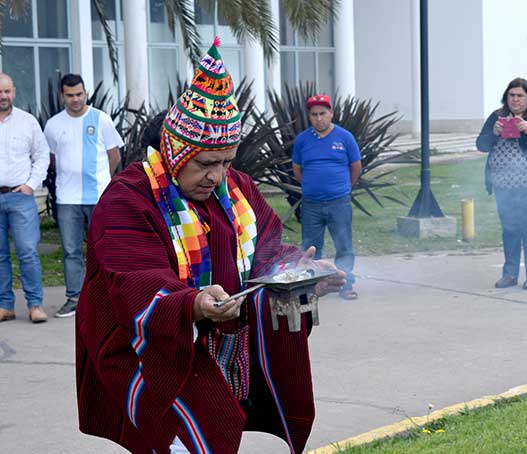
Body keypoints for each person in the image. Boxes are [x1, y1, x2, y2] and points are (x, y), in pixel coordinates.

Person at [75, 40, 345, 454]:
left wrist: (299, 272)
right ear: (175, 152)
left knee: (222, 429)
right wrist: (193, 304)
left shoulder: (237, 188)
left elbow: (265, 251)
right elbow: (135, 278)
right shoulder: (128, 198)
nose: (218, 176)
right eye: (205, 163)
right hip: (150, 351)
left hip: (222, 351)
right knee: (184, 438)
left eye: (226, 162)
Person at [43, 73, 124, 318]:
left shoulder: (102, 119)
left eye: (79, 94)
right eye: (70, 95)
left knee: (104, 248)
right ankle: (74, 298)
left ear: (85, 93)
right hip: (67, 199)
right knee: (71, 250)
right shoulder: (53, 124)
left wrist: (103, 181)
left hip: (99, 197)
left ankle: (108, 297)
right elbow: (52, 159)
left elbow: (115, 156)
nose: (75, 99)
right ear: (62, 96)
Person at [475, 77, 527, 290]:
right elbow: (481, 145)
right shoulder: (497, 117)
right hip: (503, 184)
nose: (515, 100)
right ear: (506, 97)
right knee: (509, 229)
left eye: (520, 95)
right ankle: (509, 274)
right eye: (511, 95)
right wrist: (493, 133)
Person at [292, 94, 362, 300]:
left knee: (344, 246)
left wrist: (344, 187)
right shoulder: (302, 140)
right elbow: (297, 169)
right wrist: (311, 185)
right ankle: (312, 287)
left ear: (331, 113)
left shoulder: (345, 137)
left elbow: (356, 167)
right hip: (311, 204)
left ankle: (346, 284)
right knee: (311, 248)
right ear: (309, 116)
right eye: (314, 114)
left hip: (339, 202)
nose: (319, 118)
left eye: (323, 113)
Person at [0, 73, 50, 323]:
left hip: (20, 197)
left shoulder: (27, 122)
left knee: (27, 251)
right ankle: (5, 305)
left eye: (7, 91)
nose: (3, 96)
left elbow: (42, 155)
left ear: (14, 92)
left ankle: (35, 305)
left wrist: (31, 185)